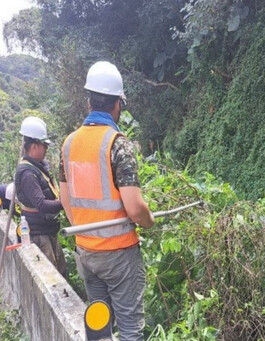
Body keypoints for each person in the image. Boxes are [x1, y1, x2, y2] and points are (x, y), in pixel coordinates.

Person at [59, 61, 154, 341]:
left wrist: (90, 232)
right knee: (130, 328)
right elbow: (135, 208)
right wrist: (149, 222)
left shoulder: (68, 144)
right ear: (117, 106)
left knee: (99, 324)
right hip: (119, 254)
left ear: (89, 101)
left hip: (86, 253)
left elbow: (67, 202)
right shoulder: (118, 144)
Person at [15, 116, 66, 277]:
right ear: (34, 146)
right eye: (44, 145)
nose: (46, 149)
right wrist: (65, 203)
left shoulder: (38, 167)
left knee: (61, 271)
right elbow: (42, 205)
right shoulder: (28, 173)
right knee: (52, 277)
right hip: (39, 233)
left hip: (48, 229)